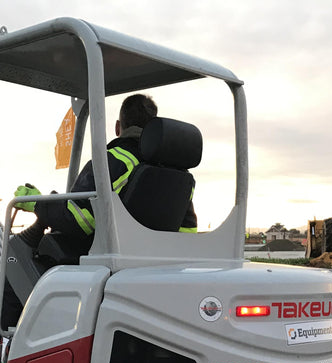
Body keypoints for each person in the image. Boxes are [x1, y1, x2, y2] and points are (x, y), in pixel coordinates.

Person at [12, 93, 197, 252]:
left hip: (100, 266)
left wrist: (37, 203)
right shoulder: (178, 174)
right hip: (153, 268)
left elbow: (79, 220)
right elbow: (188, 232)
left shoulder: (114, 161)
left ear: (118, 127)